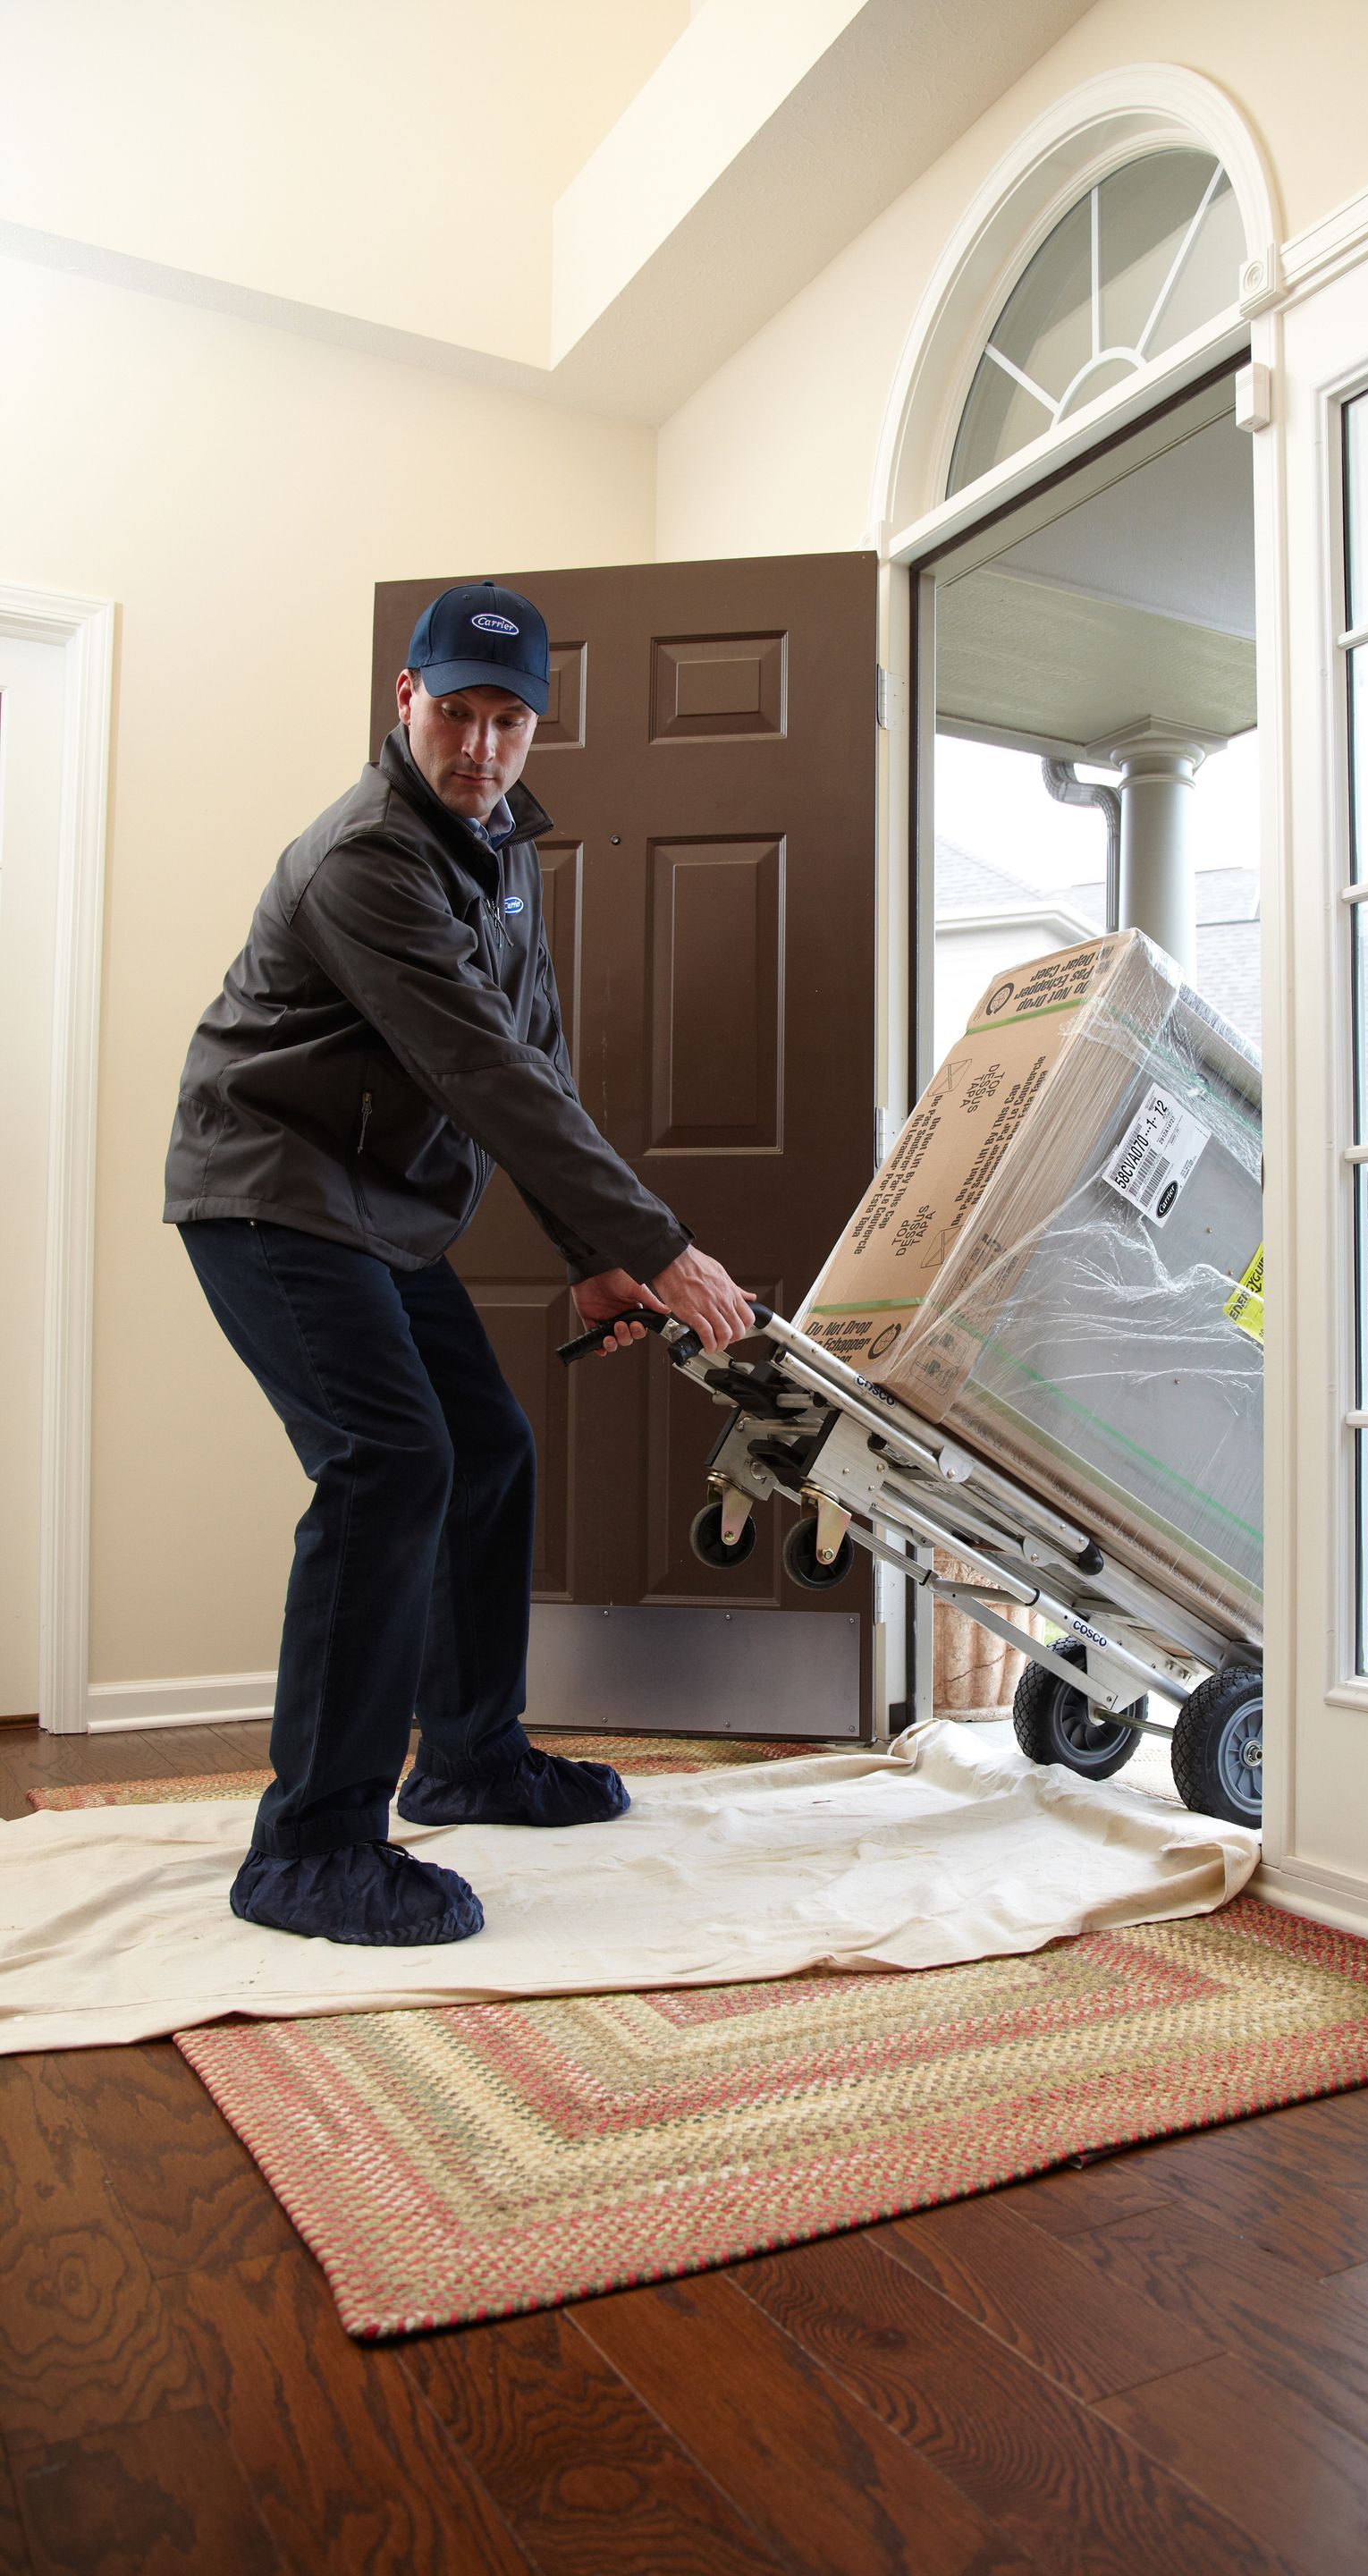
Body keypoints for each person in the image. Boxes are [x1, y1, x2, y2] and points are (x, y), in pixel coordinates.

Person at [165, 580, 754, 1947]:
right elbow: (479, 1072)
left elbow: (533, 1048)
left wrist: (591, 1263)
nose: (480, 746)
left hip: (376, 1211)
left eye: (509, 719)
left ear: (534, 726)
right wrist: (658, 1250)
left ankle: (473, 1756)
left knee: (485, 1450)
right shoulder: (365, 858)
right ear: (405, 700)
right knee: (389, 1465)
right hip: (270, 1189)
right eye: (457, 712)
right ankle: (310, 1847)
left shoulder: (498, 843)